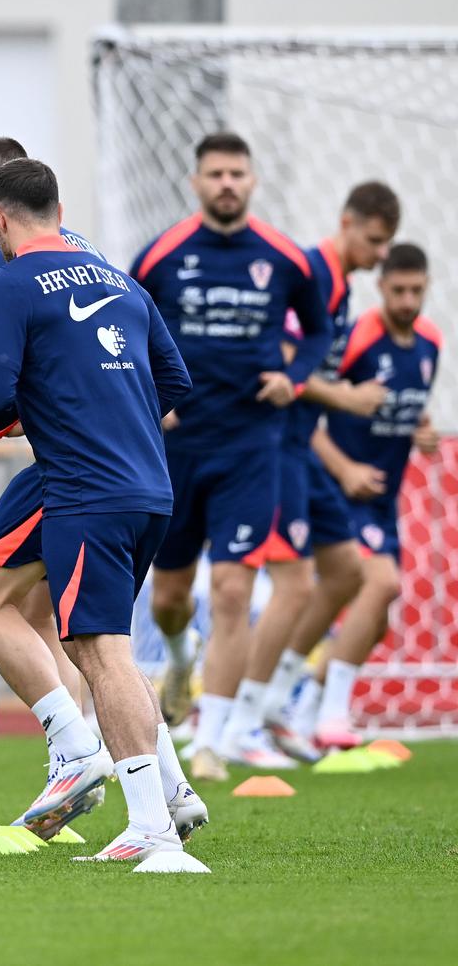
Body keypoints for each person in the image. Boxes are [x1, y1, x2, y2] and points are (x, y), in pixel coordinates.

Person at [0, 157, 206, 864]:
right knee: (91, 647)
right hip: (148, 489)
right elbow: (174, 379)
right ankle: (165, 798)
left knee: (103, 652)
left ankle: (151, 829)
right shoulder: (119, 279)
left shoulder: (7, 283)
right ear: (57, 209)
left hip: (84, 491)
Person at [131, 132, 329, 781]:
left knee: (234, 586)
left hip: (252, 444)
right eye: (215, 173)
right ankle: (182, 664)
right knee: (170, 596)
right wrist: (153, 395)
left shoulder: (285, 258)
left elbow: (320, 327)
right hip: (178, 445)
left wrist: (294, 378)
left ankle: (210, 738)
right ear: (195, 183)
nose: (226, 183)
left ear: (252, 181)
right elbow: (121, 322)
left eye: (236, 173)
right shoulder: (162, 254)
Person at [0, 136, 109, 837]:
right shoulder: (93, 260)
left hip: (71, 470)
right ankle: (164, 788)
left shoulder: (11, 270)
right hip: (127, 465)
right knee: (77, 634)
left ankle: (75, 752)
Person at [243, 183, 400, 762]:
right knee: (295, 583)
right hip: (279, 442)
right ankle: (239, 718)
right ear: (348, 222)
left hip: (304, 445)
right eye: (376, 240)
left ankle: (276, 702)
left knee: (346, 574)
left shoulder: (340, 289)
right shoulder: (312, 272)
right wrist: (347, 400)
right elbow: (282, 360)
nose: (381, 254)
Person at [299, 244, 441, 748]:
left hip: (383, 498)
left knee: (375, 620)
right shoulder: (358, 338)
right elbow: (308, 413)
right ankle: (330, 719)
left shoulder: (430, 343)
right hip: (338, 489)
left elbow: (405, 410)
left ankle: (305, 702)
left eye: (416, 291)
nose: (407, 300)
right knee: (381, 584)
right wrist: (347, 468)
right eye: (398, 290)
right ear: (381, 287)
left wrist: (422, 433)